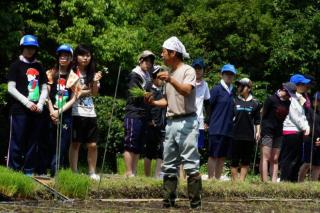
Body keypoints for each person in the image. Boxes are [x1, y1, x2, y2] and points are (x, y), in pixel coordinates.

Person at [146, 36, 201, 209]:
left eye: (164, 52)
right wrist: (154, 103)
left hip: (187, 122)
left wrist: (170, 80)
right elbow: (168, 101)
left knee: (190, 163)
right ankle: (168, 200)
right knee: (169, 164)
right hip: (170, 122)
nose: (162, 55)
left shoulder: (188, 70)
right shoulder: (167, 74)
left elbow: (186, 91)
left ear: (173, 53)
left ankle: (195, 203)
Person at [7, 34, 48, 175]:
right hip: (19, 110)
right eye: (27, 47)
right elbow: (11, 88)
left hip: (36, 111)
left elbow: (44, 88)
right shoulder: (15, 66)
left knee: (33, 142)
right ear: (22, 48)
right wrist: (26, 102)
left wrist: (41, 104)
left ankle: (29, 170)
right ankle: (13, 171)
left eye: (33, 48)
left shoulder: (39, 66)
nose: (30, 50)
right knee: (17, 141)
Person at [68, 44, 102, 180]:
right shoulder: (71, 71)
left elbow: (94, 93)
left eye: (88, 55)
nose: (85, 58)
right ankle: (74, 172)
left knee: (93, 145)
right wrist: (85, 90)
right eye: (82, 55)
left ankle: (92, 172)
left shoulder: (92, 73)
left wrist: (93, 82)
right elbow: (75, 93)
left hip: (90, 112)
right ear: (76, 56)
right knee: (75, 143)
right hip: (75, 112)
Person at [123, 50, 155, 177]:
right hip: (133, 113)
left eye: (151, 62)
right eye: (146, 60)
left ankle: (134, 172)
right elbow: (134, 93)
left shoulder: (147, 76)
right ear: (140, 60)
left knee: (138, 145)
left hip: (144, 114)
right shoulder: (134, 74)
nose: (148, 63)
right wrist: (147, 93)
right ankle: (128, 171)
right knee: (130, 143)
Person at [46, 44, 76, 176]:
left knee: (62, 145)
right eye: (61, 55)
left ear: (71, 59)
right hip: (50, 113)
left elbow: (74, 98)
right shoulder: (50, 73)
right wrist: (52, 111)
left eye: (66, 56)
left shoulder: (73, 77)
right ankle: (47, 169)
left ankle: (56, 172)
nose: (63, 58)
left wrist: (59, 112)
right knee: (50, 143)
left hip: (66, 114)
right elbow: (45, 94)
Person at [260, 82, 295, 182]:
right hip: (267, 130)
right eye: (288, 93)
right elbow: (263, 114)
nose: (289, 96)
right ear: (283, 89)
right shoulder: (271, 99)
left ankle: (274, 182)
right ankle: (265, 182)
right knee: (266, 157)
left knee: (275, 158)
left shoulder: (288, 102)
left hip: (279, 132)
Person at [207, 64, 236, 180]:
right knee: (213, 154)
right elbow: (208, 106)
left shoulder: (233, 92)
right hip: (216, 127)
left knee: (222, 156)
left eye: (231, 74)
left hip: (228, 129)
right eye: (227, 74)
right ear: (222, 74)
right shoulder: (216, 89)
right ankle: (210, 178)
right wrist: (207, 121)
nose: (229, 76)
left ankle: (217, 179)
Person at [280, 74, 310, 182]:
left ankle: (292, 181)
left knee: (297, 159)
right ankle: (285, 180)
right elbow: (294, 116)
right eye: (303, 84)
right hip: (290, 131)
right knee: (289, 158)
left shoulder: (299, 98)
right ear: (296, 85)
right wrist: (304, 127)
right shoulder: (291, 98)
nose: (306, 86)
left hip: (298, 131)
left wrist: (306, 126)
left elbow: (302, 115)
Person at [230, 78, 261, 181]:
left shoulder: (255, 102)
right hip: (235, 134)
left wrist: (258, 132)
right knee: (234, 159)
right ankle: (235, 182)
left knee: (246, 160)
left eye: (241, 85)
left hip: (248, 136)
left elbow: (257, 120)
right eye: (238, 85)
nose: (239, 87)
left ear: (248, 88)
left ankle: (242, 181)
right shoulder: (234, 100)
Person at [143, 66, 166, 178]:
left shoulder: (161, 90)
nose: (162, 80)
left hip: (161, 125)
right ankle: (147, 176)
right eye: (159, 78)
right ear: (154, 78)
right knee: (149, 151)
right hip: (152, 125)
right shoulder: (148, 89)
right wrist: (149, 120)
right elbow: (146, 107)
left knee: (162, 150)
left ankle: (157, 176)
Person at [298, 92, 320, 181]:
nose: (316, 102)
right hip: (309, 139)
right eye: (314, 99)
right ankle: (300, 182)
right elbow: (308, 126)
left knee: (318, 165)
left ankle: (314, 183)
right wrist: (316, 138)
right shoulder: (308, 111)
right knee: (307, 163)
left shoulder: (319, 112)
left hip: (319, 141)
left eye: (318, 100)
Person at [193, 58, 210, 150]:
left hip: (199, 121)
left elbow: (207, 104)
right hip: (187, 120)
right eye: (195, 68)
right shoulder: (186, 82)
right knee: (184, 149)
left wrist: (207, 121)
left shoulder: (205, 85)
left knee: (197, 149)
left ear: (203, 70)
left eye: (199, 68)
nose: (197, 71)